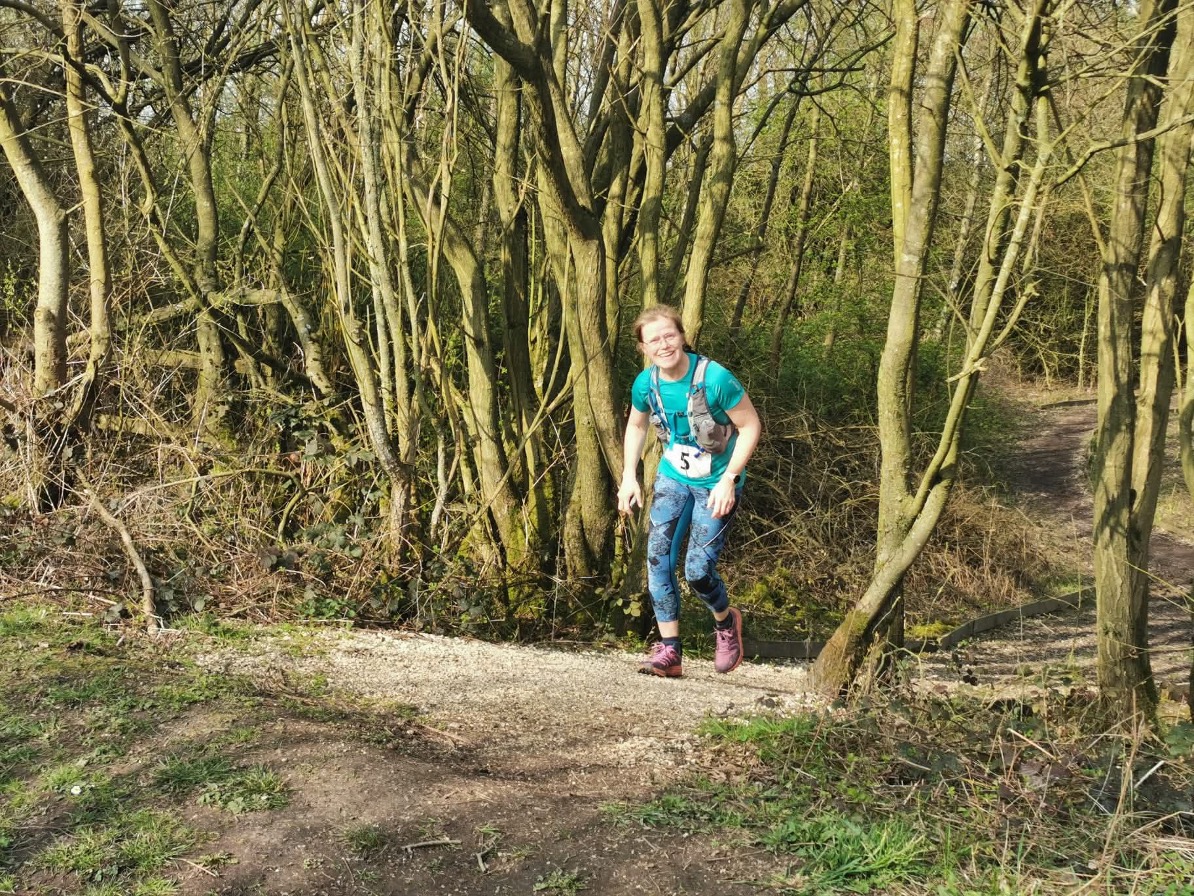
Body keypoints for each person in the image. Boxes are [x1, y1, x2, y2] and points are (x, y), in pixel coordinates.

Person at [617, 305, 761, 677]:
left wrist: (730, 478)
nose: (663, 345)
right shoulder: (645, 384)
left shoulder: (715, 379)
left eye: (669, 335)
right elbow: (637, 426)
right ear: (643, 348)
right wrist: (629, 476)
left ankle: (726, 621)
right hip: (673, 478)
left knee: (697, 571)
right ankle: (670, 652)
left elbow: (750, 426)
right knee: (657, 561)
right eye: (654, 340)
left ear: (682, 336)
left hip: (716, 483)